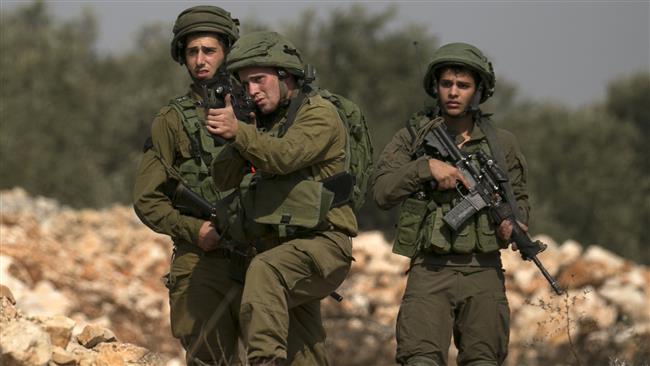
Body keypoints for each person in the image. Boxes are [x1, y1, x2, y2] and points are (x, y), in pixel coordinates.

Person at [372, 42, 530, 366]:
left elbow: (519, 198)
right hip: (430, 269)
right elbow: (381, 191)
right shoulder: (412, 139)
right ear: (435, 87)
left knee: (484, 360)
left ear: (478, 90)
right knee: (419, 359)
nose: (453, 93)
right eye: (446, 84)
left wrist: (514, 222)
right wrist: (424, 168)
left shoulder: (502, 144)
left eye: (463, 85)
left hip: (483, 269)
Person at [204, 31, 357, 366]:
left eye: (259, 80)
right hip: (281, 248)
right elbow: (223, 178)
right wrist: (240, 133)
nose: (252, 91)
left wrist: (242, 133)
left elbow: (284, 156)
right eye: (244, 85)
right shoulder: (262, 126)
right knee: (305, 353)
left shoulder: (319, 115)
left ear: (286, 76)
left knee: (265, 272)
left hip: (323, 244)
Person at [132, 5, 244, 365]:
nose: (200, 60)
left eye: (209, 50)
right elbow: (148, 199)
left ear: (227, 52)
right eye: (192, 51)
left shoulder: (256, 110)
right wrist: (194, 230)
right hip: (202, 262)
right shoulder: (171, 120)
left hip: (262, 257)